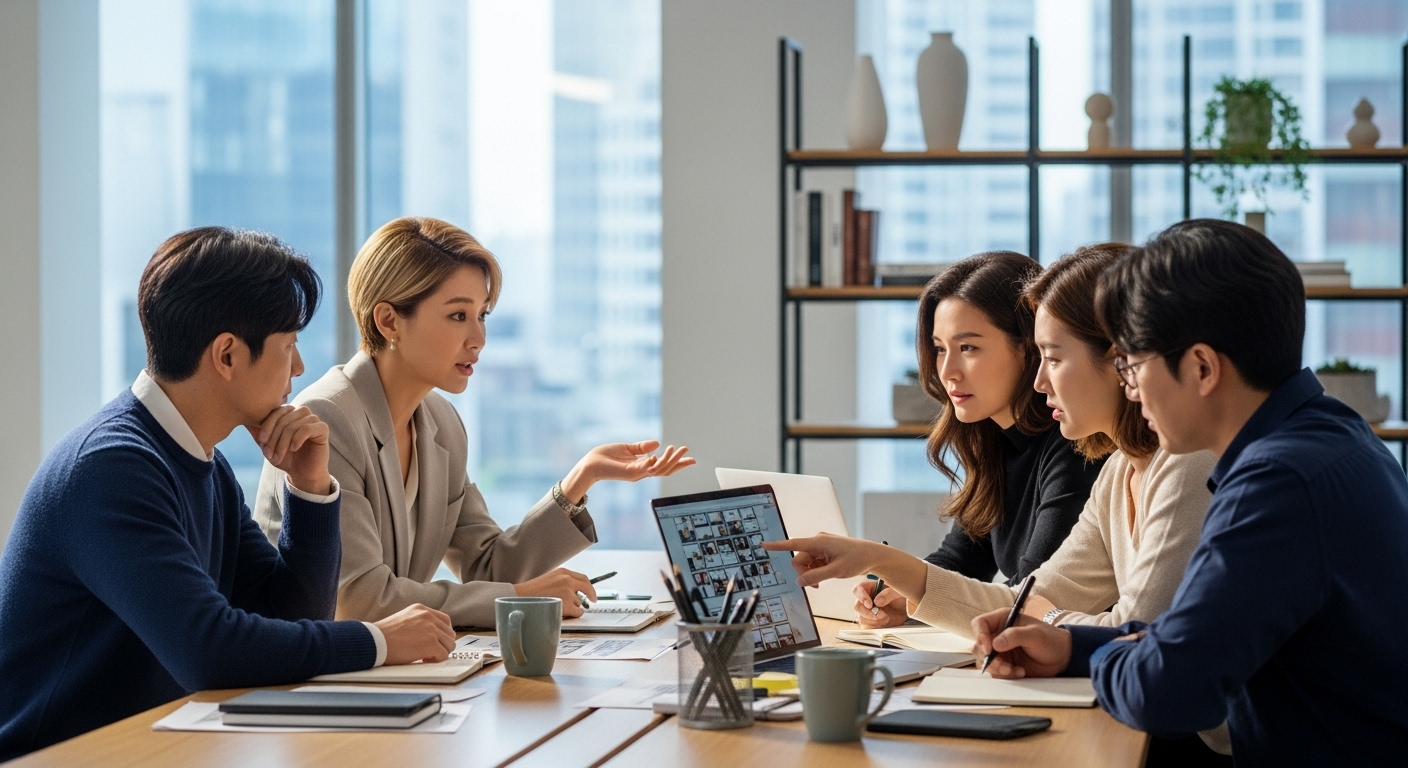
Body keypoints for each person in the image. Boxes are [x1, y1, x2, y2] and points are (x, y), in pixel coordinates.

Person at [0, 228, 454, 761]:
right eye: (288, 346)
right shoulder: (112, 468)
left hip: (149, 750)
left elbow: (291, 616)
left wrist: (309, 488)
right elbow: (210, 651)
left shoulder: (201, 461)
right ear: (228, 355)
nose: (300, 368)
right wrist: (377, 641)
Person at [971, 219, 1408, 764]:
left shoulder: (1276, 484)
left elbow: (1167, 693)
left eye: (1132, 364)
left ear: (1201, 367)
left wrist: (1119, 652)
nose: (1129, 386)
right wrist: (1071, 647)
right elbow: (1183, 648)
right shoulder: (1328, 434)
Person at [767, 243, 1227, 761]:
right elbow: (1030, 599)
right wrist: (880, 561)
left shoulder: (1181, 465)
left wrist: (1042, 627)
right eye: (940, 349)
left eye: (1052, 357)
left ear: (1119, 359)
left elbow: (1136, 638)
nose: (1039, 380)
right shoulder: (1120, 469)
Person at [254, 217, 693, 629]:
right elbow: (360, 600)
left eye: (482, 314)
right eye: (458, 315)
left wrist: (581, 478)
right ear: (389, 321)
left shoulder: (441, 423)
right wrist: (518, 598)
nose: (478, 339)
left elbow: (487, 566)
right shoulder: (328, 418)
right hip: (314, 679)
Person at [853, 251, 1104, 628]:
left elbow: (1028, 600)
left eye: (968, 347)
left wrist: (893, 569)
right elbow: (960, 560)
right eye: (940, 349)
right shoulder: (995, 442)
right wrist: (898, 595)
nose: (947, 372)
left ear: (1028, 348)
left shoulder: (1076, 446)